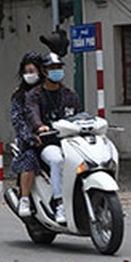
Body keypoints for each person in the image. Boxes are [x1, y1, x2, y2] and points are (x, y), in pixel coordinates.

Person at [25, 52, 80, 224]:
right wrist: (39, 126)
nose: (56, 71)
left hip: (70, 142)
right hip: (48, 142)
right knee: (57, 160)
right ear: (44, 71)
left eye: (59, 67)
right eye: (52, 68)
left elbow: (78, 115)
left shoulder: (70, 94)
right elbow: (32, 113)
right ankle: (59, 204)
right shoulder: (35, 95)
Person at [10, 52, 45, 218]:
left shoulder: (51, 91)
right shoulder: (19, 95)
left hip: (53, 136)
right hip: (30, 140)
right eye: (27, 72)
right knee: (30, 158)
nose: (30, 75)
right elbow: (18, 121)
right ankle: (24, 198)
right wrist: (30, 137)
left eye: (33, 71)